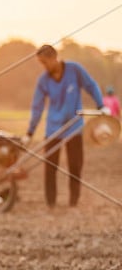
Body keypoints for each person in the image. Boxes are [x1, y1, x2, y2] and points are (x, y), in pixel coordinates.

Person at [24, 44, 106, 208]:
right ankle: (51, 204)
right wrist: (30, 132)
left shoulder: (74, 70)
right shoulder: (43, 80)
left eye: (45, 62)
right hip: (53, 128)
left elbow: (91, 85)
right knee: (50, 167)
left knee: (75, 166)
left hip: (74, 127)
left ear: (54, 58)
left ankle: (73, 203)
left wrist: (100, 105)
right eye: (41, 63)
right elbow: (37, 107)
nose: (44, 66)